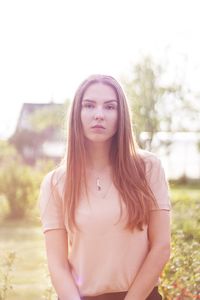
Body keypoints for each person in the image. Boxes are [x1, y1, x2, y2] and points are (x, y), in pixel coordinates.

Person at [38, 74, 171, 300]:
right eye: (89, 105)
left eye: (110, 107)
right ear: (77, 114)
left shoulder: (148, 168)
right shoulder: (55, 183)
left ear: (121, 116)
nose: (99, 114)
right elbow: (58, 265)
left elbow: (161, 247)